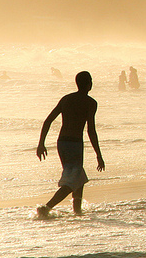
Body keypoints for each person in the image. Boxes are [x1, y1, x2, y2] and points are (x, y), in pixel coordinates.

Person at [36, 71, 105, 218]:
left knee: (78, 178)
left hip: (62, 143)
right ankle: (46, 208)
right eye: (91, 80)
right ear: (88, 84)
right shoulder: (90, 103)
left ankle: (77, 212)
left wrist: (41, 143)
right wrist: (99, 155)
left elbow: (48, 120)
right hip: (75, 144)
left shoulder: (66, 99)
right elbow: (91, 130)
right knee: (72, 180)